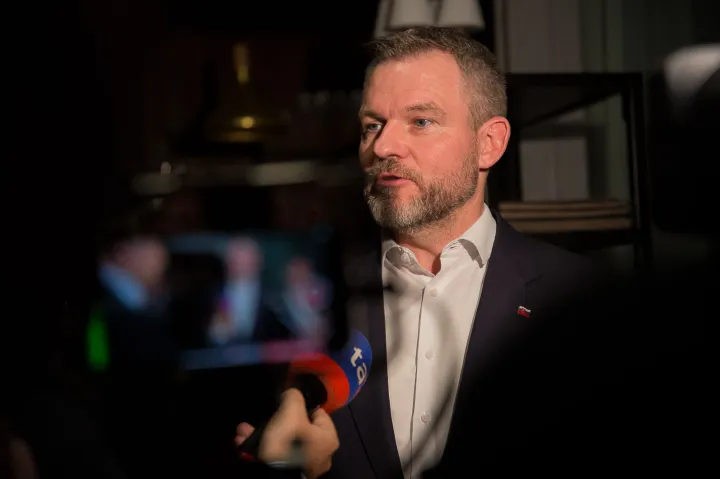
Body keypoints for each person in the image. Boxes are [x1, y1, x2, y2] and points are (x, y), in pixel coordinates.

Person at [238, 27, 616, 477]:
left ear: (489, 142)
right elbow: (264, 450)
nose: (382, 147)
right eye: (372, 126)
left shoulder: (582, 299)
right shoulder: (305, 299)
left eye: (421, 121)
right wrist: (294, 468)